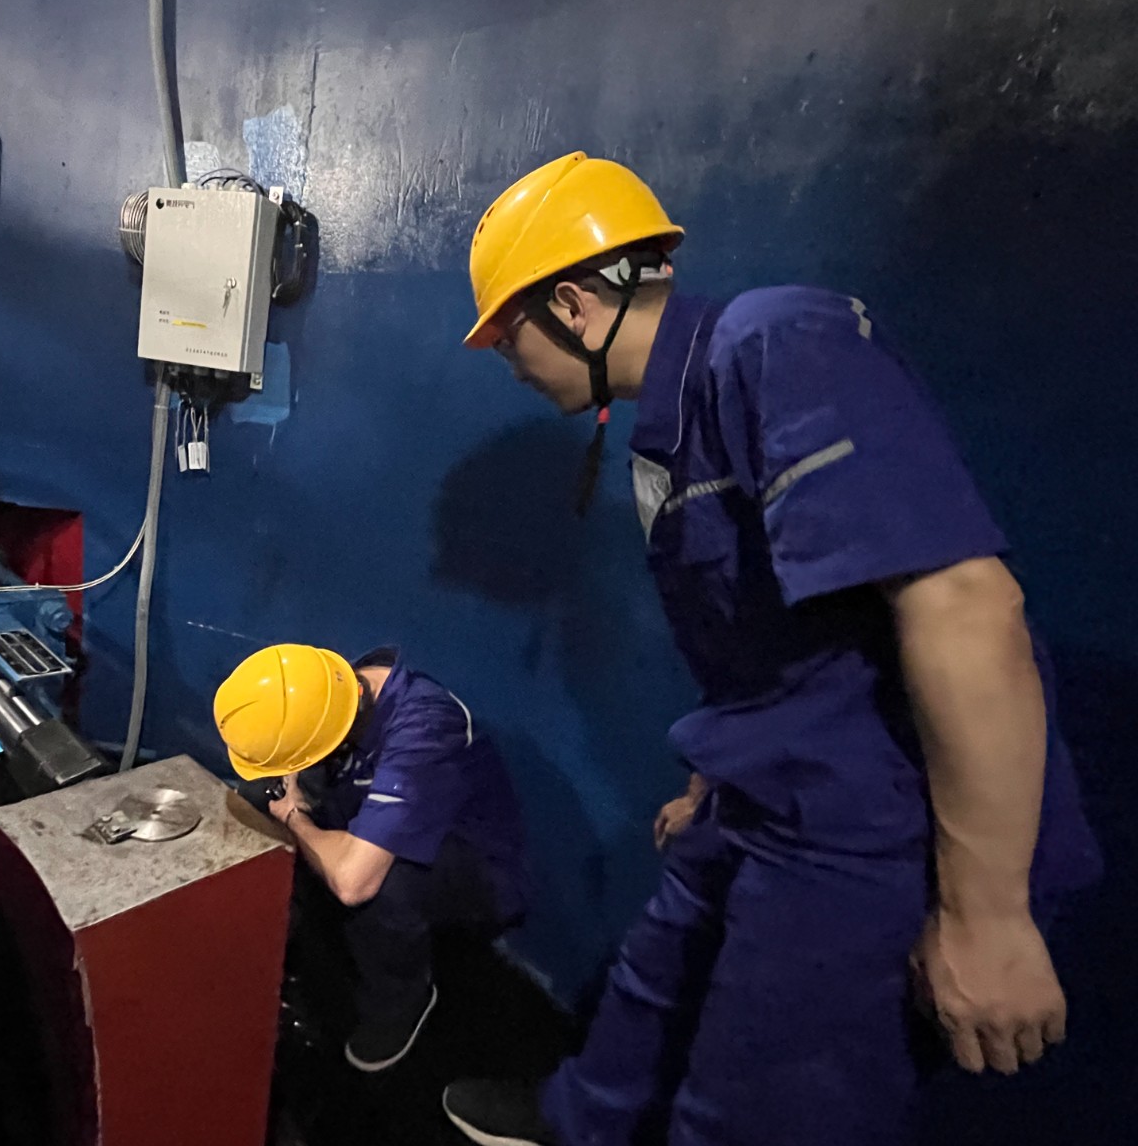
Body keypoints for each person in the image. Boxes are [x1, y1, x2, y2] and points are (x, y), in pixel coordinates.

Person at [439, 152, 1101, 1146]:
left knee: (757, 1108)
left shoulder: (775, 343)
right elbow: (774, 648)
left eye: (507, 339)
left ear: (571, 306)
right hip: (767, 791)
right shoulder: (672, 429)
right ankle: (580, 1125)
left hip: (866, 829)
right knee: (652, 987)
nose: (512, 365)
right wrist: (713, 784)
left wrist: (986, 916)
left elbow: (965, 604)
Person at [215, 643, 526, 1073]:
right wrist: (288, 787)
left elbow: (354, 884)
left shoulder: (426, 729)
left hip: (470, 866)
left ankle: (400, 1001)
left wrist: (294, 818)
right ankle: (293, 938)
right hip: (365, 815)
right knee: (256, 797)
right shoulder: (334, 687)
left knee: (382, 888)